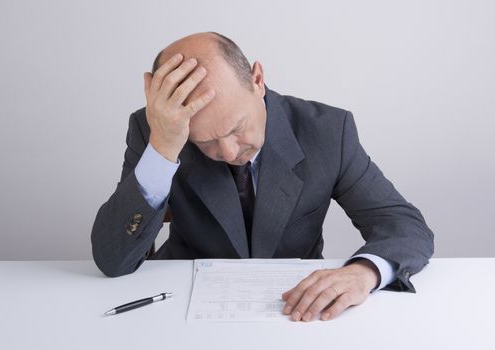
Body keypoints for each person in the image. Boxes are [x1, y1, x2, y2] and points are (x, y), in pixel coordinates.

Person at [91, 32, 434, 322]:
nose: (227, 152)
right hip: (181, 306)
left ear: (257, 81)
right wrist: (163, 147)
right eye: (204, 141)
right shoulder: (156, 129)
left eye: (236, 128)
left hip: (299, 313)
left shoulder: (328, 130)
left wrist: (365, 272)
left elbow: (404, 225)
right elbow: (113, 259)